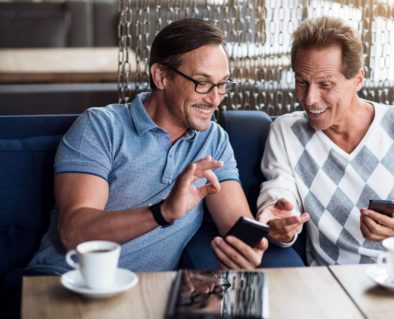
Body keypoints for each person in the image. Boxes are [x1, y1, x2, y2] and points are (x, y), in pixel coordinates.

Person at [26, 18, 268, 275]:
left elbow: (237, 227)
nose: (215, 98)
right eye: (202, 83)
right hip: (59, 280)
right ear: (161, 76)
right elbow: (72, 232)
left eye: (222, 85)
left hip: (144, 294)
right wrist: (162, 212)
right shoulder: (100, 126)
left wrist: (262, 237)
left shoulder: (213, 140)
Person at [257, 16, 394, 265]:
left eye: (325, 84)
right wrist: (280, 222)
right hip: (340, 286)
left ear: (358, 79)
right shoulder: (286, 132)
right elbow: (278, 194)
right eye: (301, 82)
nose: (310, 99)